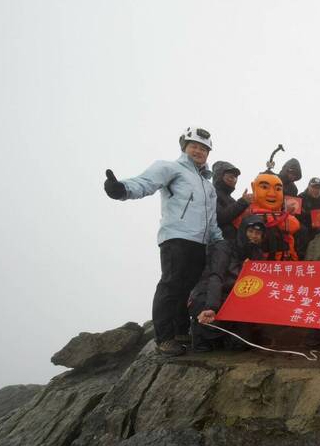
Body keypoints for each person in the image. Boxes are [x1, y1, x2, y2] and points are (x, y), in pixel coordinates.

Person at [103, 126, 223, 356]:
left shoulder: (208, 186)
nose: (199, 151)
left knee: (187, 289)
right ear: (184, 147)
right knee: (171, 285)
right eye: (194, 146)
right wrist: (121, 189)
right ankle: (164, 338)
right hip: (176, 237)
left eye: (204, 149)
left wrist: (219, 241)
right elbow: (145, 182)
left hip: (201, 243)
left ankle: (180, 331)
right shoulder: (171, 168)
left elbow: (212, 219)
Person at [191, 215, 267, 352]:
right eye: (250, 231)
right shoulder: (224, 246)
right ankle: (199, 333)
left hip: (235, 298)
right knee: (208, 336)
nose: (254, 236)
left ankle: (226, 335)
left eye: (258, 233)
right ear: (242, 230)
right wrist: (211, 306)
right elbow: (216, 277)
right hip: (209, 294)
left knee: (241, 344)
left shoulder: (258, 254)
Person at [212, 160, 252, 241]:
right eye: (229, 176)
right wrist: (243, 202)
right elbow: (219, 217)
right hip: (218, 243)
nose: (232, 180)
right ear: (219, 175)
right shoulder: (212, 193)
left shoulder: (232, 200)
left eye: (235, 178)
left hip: (234, 245)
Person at [296, 177, 320, 258]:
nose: (316, 190)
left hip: (316, 226)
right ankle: (300, 257)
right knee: (302, 231)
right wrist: (310, 215)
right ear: (308, 186)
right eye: (314, 187)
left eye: (318, 188)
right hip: (302, 224)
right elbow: (295, 215)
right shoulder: (300, 197)